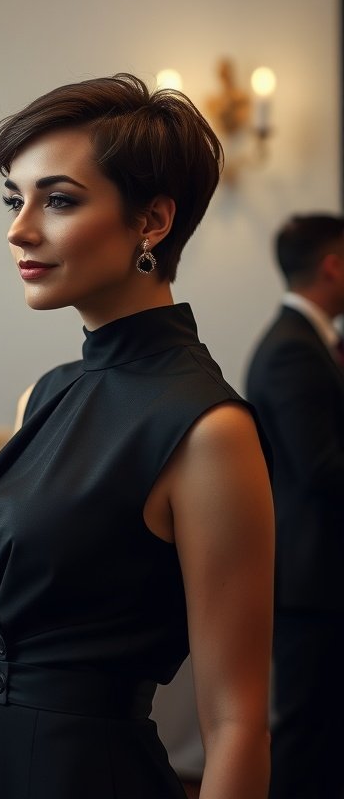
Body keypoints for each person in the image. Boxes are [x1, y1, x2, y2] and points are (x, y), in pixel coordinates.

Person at [0, 73, 274, 799]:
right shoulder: (46, 395)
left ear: (153, 221)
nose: (20, 228)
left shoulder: (208, 428)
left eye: (58, 199)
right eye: (14, 199)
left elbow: (238, 720)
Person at [245, 214, 344, 799]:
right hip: (311, 581)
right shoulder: (292, 351)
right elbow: (322, 470)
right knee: (308, 735)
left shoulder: (312, 344)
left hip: (322, 578)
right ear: (332, 265)